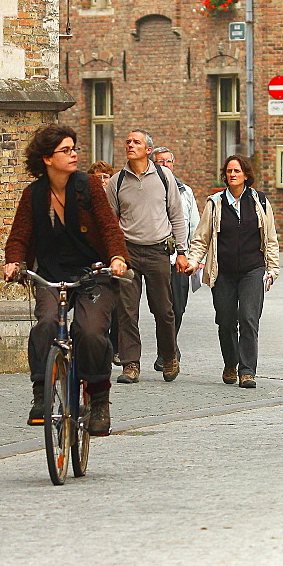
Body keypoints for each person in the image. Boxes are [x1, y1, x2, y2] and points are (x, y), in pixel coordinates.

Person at [3, 124, 129, 436]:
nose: (73, 155)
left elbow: (109, 227)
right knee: (46, 323)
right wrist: (14, 262)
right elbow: (19, 236)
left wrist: (117, 258)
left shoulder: (88, 187)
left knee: (89, 331)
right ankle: (41, 392)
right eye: (65, 150)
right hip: (50, 273)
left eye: (74, 149)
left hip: (94, 273)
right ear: (47, 158)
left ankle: (99, 398)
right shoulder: (34, 195)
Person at [184, 155, 279, 388]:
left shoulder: (259, 201)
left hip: (252, 270)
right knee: (226, 321)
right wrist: (194, 260)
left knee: (248, 318)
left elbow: (270, 238)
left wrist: (273, 268)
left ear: (246, 175)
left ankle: (247, 371)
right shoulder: (215, 203)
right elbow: (201, 238)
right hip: (222, 271)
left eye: (237, 171)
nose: (232, 174)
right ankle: (230, 363)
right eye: (228, 171)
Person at [106, 129, 187, 384]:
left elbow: (177, 215)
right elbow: (109, 222)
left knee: (163, 310)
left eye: (136, 142)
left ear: (148, 149)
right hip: (128, 252)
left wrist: (183, 252)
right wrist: (113, 254)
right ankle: (131, 364)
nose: (130, 145)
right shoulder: (117, 181)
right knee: (127, 312)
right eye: (128, 141)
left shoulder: (164, 177)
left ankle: (168, 356)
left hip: (158, 251)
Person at [150, 146, 201, 371]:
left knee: (178, 308)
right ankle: (167, 352)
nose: (163, 166)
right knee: (162, 309)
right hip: (157, 258)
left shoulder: (185, 192)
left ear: (173, 164)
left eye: (167, 162)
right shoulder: (147, 191)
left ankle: (169, 347)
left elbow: (195, 227)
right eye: (158, 162)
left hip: (181, 259)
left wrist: (196, 257)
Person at [88, 161, 120, 362]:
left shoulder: (116, 200)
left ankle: (116, 347)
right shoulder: (87, 202)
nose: (101, 181)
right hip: (93, 257)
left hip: (114, 256)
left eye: (105, 177)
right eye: (97, 177)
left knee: (117, 304)